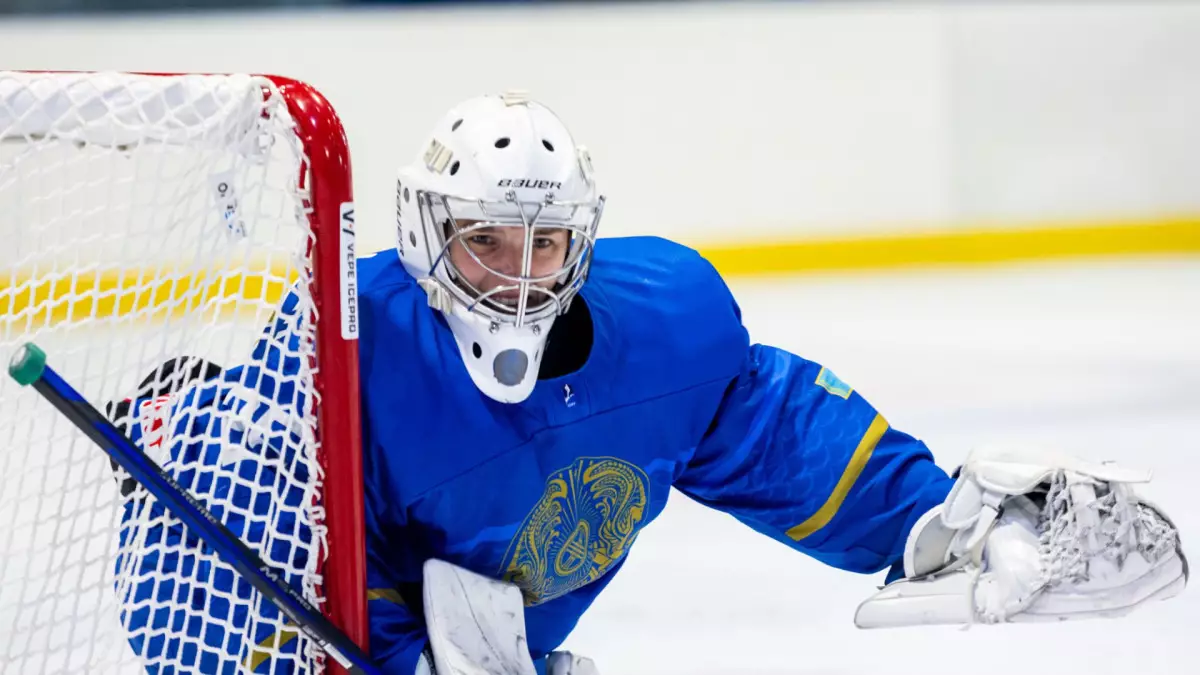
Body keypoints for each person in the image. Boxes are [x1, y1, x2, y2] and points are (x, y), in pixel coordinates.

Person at [108, 90, 1187, 675]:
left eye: (546, 244)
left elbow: (766, 428)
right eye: (488, 241)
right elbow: (223, 572)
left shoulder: (666, 324)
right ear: (429, 235)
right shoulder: (345, 353)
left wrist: (930, 523)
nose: (521, 276)